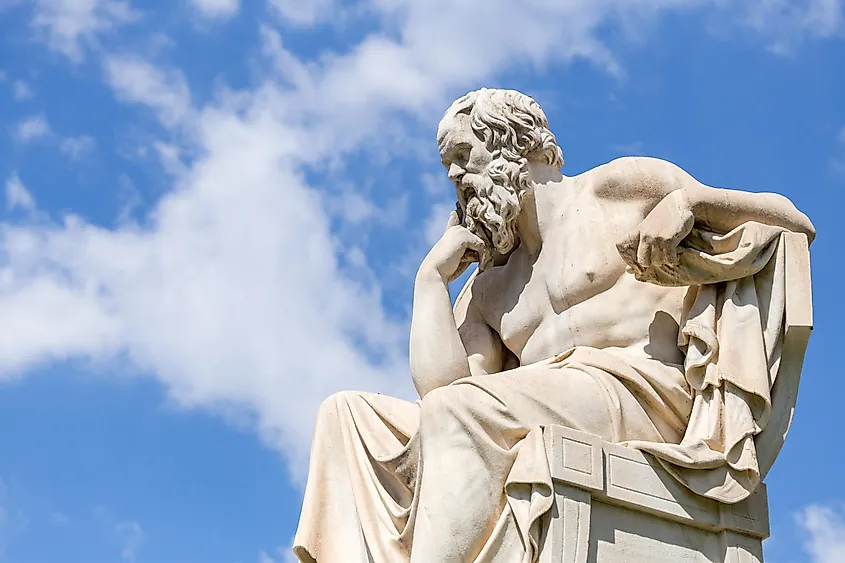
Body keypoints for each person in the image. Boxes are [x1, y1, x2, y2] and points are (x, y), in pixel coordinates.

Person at [292, 88, 815, 563]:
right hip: (550, 405)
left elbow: (789, 221)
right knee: (346, 416)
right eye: (446, 166)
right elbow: (440, 395)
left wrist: (690, 204)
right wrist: (429, 281)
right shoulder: (488, 284)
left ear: (511, 144)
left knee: (463, 409)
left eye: (461, 157)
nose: (453, 177)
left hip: (643, 393)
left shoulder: (616, 189)